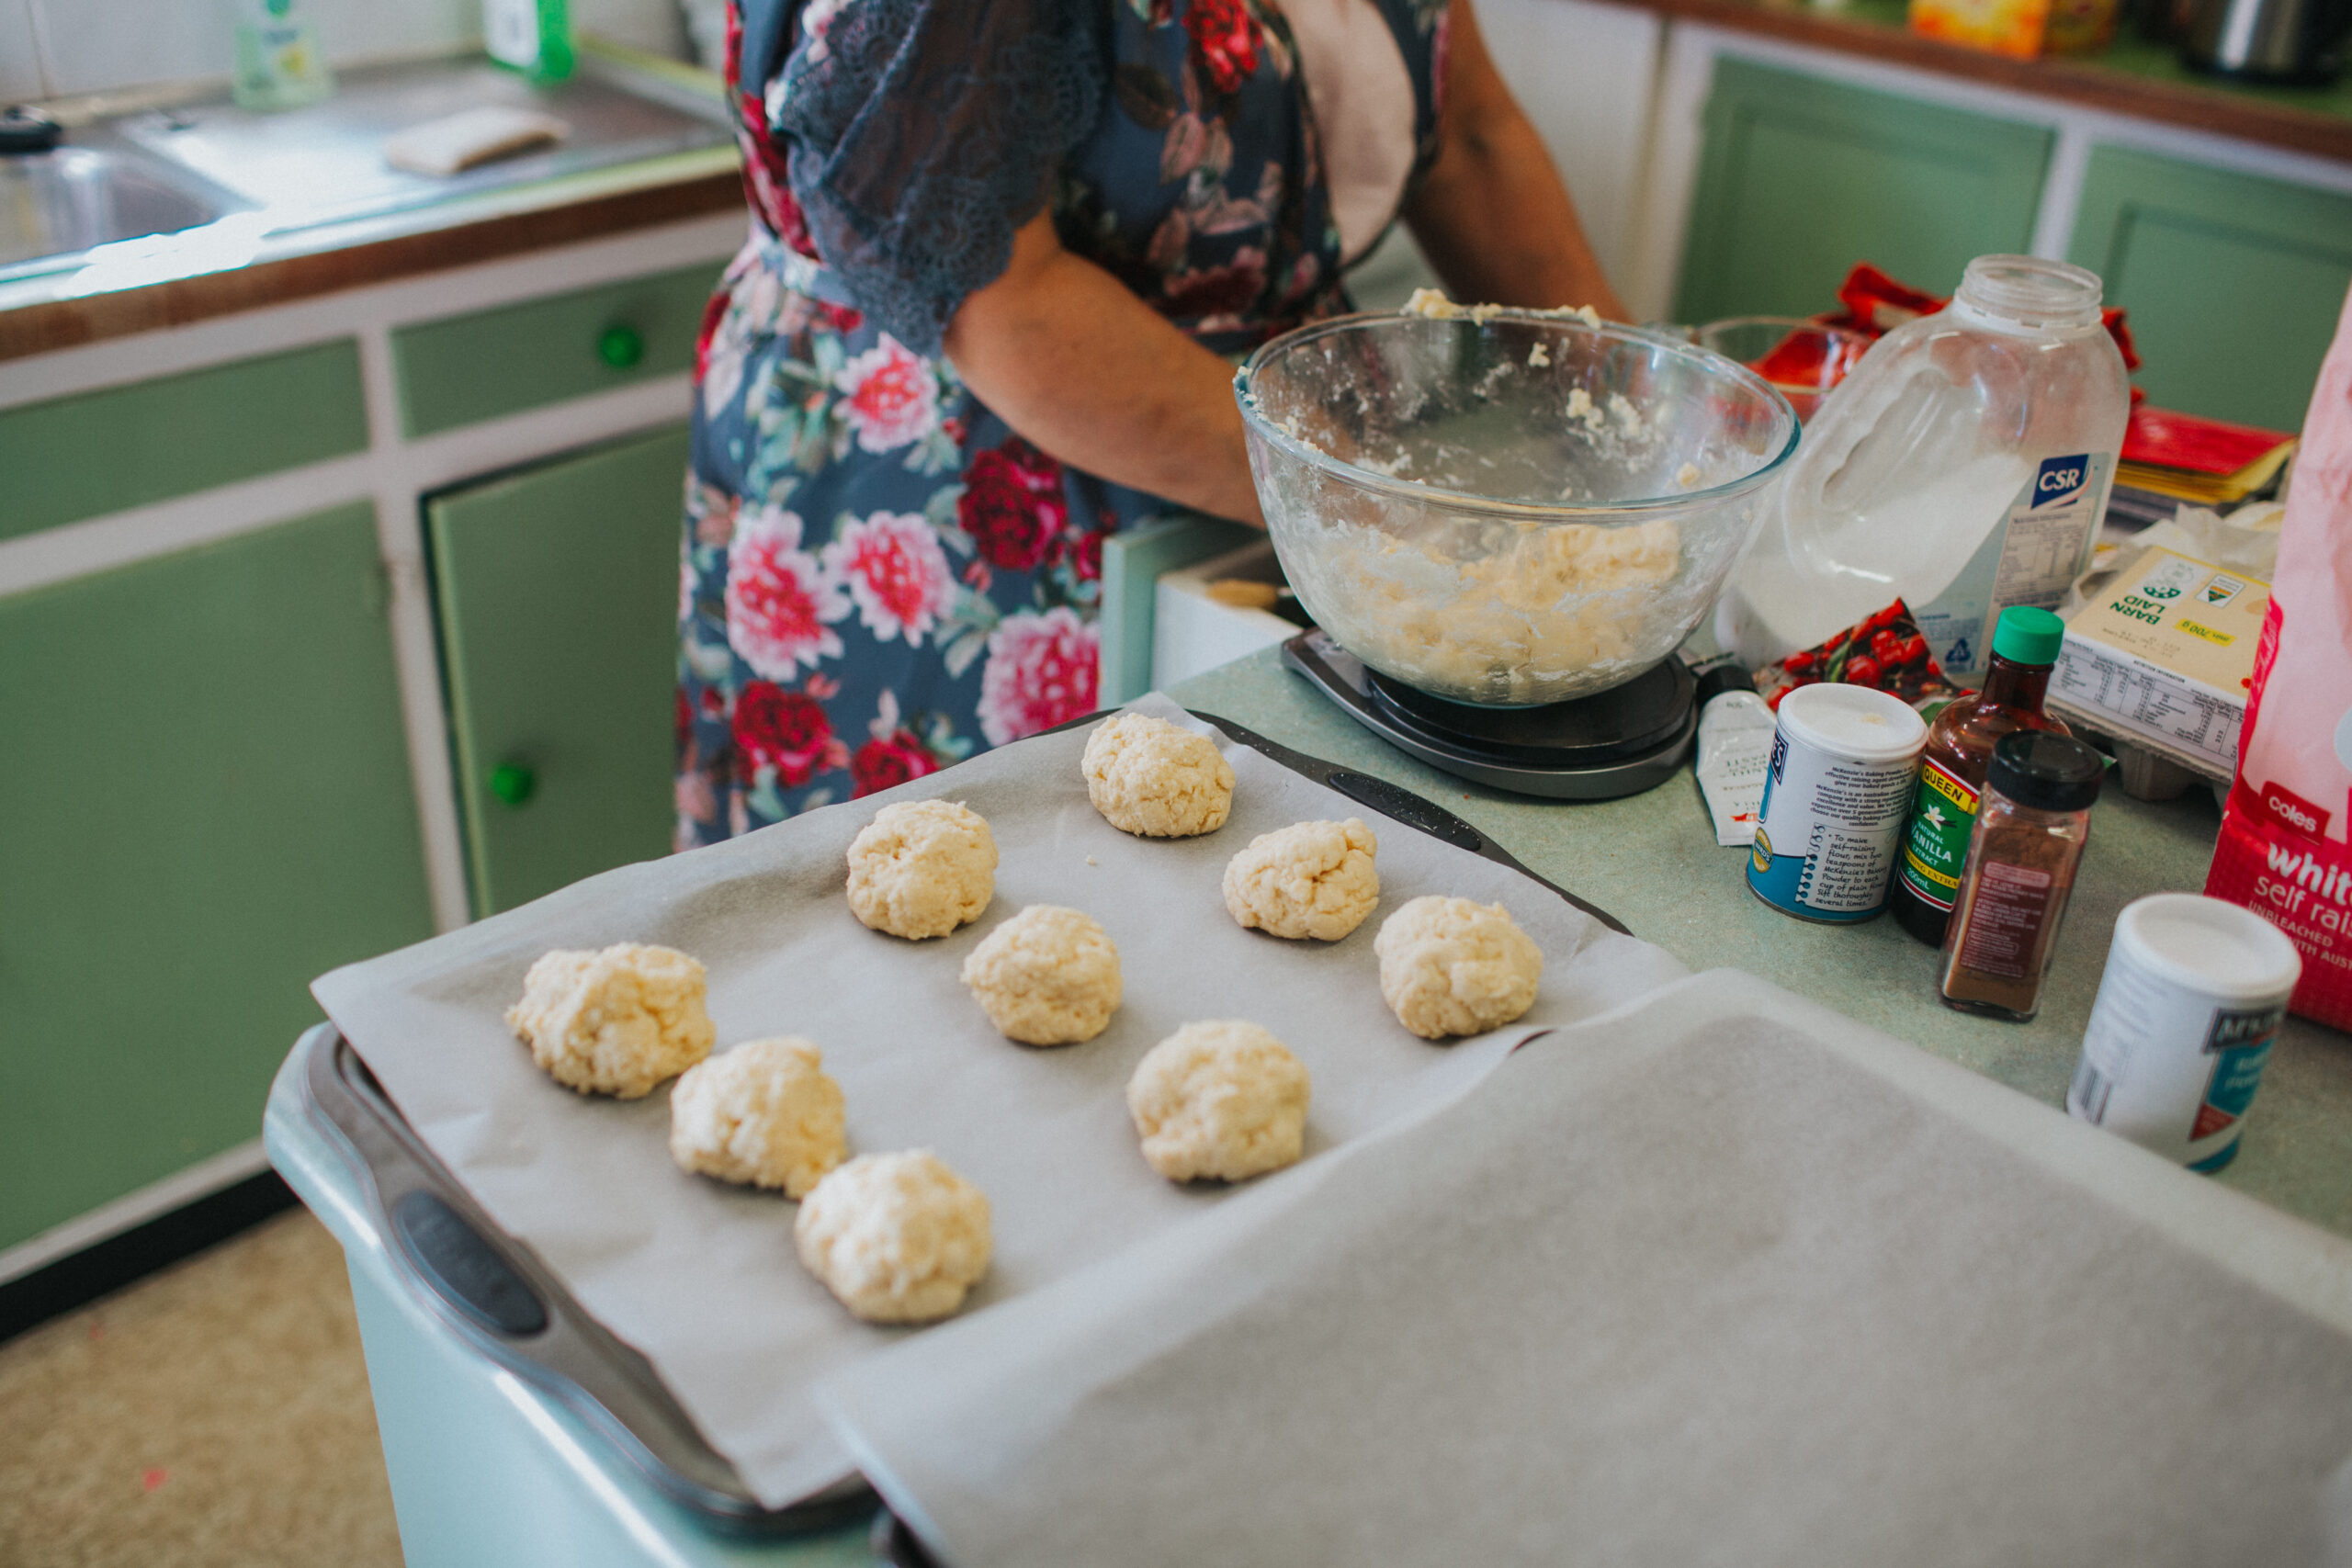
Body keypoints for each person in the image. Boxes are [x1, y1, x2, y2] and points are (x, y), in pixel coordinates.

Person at [676, 0, 1627, 844]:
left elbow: (1469, 135)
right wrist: (1378, 510)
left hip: (1291, 468)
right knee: (982, 895)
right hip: (968, 493)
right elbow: (1000, 300)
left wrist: (1634, 425)